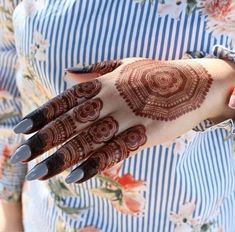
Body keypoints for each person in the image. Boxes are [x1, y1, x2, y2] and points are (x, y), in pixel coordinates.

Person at [1, 0, 235, 231]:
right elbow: (7, 83)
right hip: (51, 217)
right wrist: (11, 216)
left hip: (205, 217)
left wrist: (210, 82)